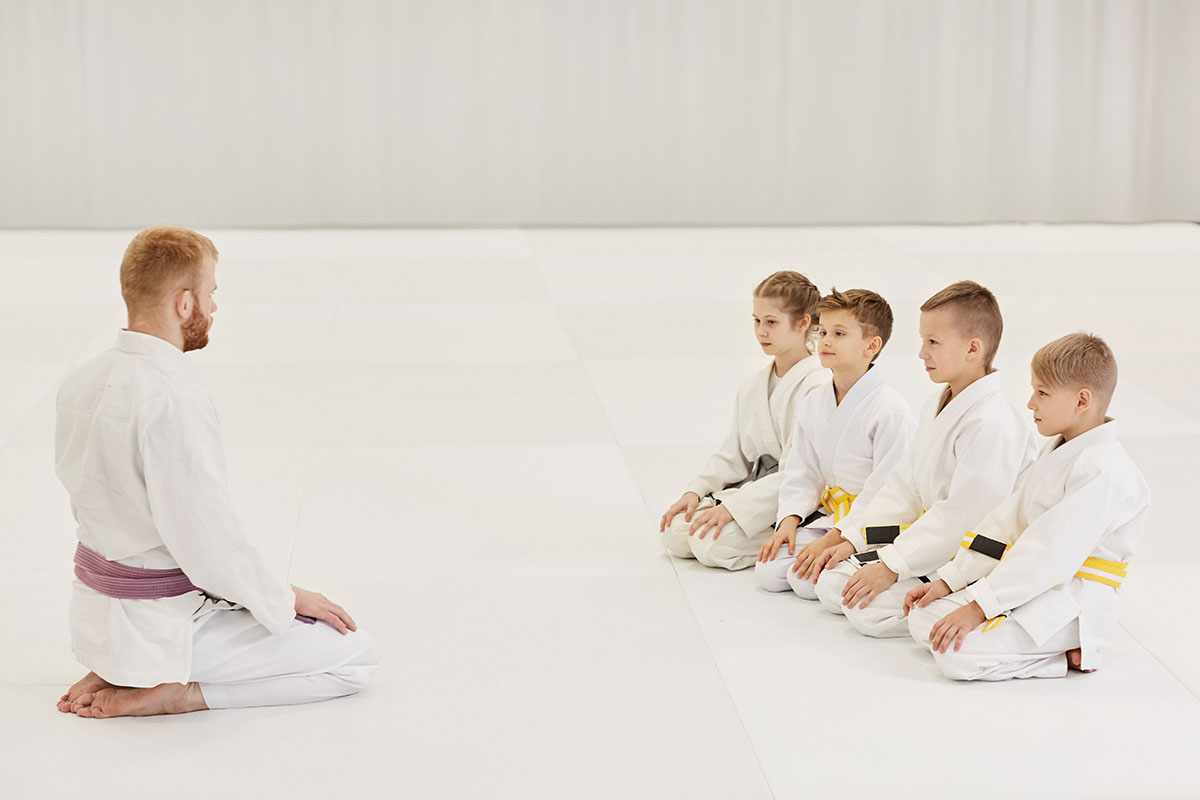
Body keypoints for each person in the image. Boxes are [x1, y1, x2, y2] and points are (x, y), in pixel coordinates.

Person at [56, 226, 378, 718]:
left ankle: (119, 667)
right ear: (184, 303)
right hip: (163, 629)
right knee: (353, 659)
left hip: (98, 621)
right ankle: (178, 693)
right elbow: (207, 543)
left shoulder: (84, 379)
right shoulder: (171, 397)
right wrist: (287, 598)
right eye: (210, 294)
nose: (214, 308)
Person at [905, 333, 1148, 680]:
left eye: (1043, 393)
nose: (1031, 403)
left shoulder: (1106, 470)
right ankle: (1032, 644)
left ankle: (1066, 654)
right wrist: (950, 580)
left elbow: (1048, 552)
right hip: (1033, 582)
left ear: (1082, 401)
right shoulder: (1060, 451)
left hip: (1073, 599)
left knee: (957, 656)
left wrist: (979, 608)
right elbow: (1003, 524)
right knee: (923, 619)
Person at [809, 281, 1037, 636]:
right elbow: (904, 486)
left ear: (972, 348)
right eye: (922, 340)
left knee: (866, 612)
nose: (921, 353)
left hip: (976, 554)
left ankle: (962, 601)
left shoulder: (993, 421)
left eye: (933, 342)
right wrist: (854, 539)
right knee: (831, 584)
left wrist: (892, 565)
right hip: (934, 542)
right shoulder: (937, 403)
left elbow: (963, 515)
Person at [658, 271, 831, 571]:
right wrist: (696, 491)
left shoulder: (817, 385)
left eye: (771, 322)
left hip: (798, 499)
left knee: (713, 544)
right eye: (756, 320)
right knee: (675, 531)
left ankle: (800, 536)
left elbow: (801, 473)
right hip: (758, 491)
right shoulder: (754, 385)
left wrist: (735, 509)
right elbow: (732, 454)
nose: (761, 331)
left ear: (803, 322)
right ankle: (737, 522)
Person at [753, 288, 914, 596]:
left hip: (872, 522)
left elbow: (885, 491)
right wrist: (789, 520)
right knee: (770, 572)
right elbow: (803, 471)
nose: (825, 341)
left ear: (872, 345)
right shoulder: (815, 401)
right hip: (832, 516)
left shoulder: (890, 409)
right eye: (823, 331)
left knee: (807, 583)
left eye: (839, 333)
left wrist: (836, 538)